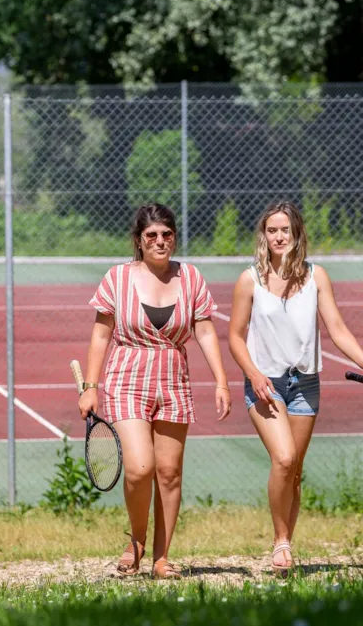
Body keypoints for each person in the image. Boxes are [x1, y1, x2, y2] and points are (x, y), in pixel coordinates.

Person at [227, 200, 363, 575]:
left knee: (294, 469)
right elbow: (234, 336)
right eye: (272, 230)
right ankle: (281, 541)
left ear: (297, 233)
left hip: (306, 384)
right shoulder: (249, 279)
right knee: (282, 458)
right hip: (265, 384)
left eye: (285, 230)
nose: (279, 236)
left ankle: (285, 544)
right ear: (263, 236)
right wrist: (253, 373)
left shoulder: (317, 277)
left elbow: (338, 328)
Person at [78, 203, 232, 579]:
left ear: (174, 237)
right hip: (126, 378)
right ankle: (136, 539)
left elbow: (206, 330)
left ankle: (161, 557)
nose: (160, 241)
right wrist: (90, 387)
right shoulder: (117, 277)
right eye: (152, 236)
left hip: (174, 379)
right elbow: (101, 334)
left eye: (166, 235)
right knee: (140, 468)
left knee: (169, 472)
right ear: (139, 241)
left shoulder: (192, 277)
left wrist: (222, 380)